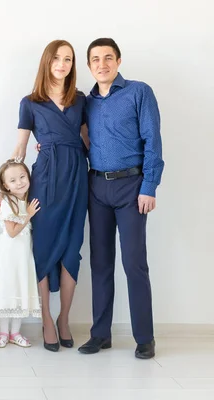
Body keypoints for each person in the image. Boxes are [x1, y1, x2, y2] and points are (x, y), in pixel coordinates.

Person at [77, 38, 164, 359]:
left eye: (108, 58)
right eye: (96, 59)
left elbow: (153, 139)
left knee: (134, 263)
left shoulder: (138, 92)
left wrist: (149, 185)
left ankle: (145, 337)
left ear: (118, 61)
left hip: (132, 187)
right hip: (96, 187)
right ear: (89, 66)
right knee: (100, 264)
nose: (102, 64)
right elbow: (82, 141)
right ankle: (100, 334)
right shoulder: (86, 103)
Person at [11, 40, 89, 352]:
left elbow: (88, 140)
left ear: (72, 65)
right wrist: (8, 189)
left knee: (73, 248)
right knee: (42, 247)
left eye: (68, 59)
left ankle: (64, 319)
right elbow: (19, 147)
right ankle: (45, 318)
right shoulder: (30, 102)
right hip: (44, 177)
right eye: (57, 58)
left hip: (76, 178)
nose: (62, 63)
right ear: (47, 62)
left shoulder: (81, 100)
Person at [0, 160, 42, 348]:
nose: (20, 182)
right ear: (5, 185)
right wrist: (28, 215)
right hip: (9, 253)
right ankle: (3, 332)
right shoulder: (8, 201)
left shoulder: (26, 199)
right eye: (13, 180)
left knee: (20, 288)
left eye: (22, 177)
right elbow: (12, 232)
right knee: (7, 289)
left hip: (23, 254)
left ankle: (15, 333)